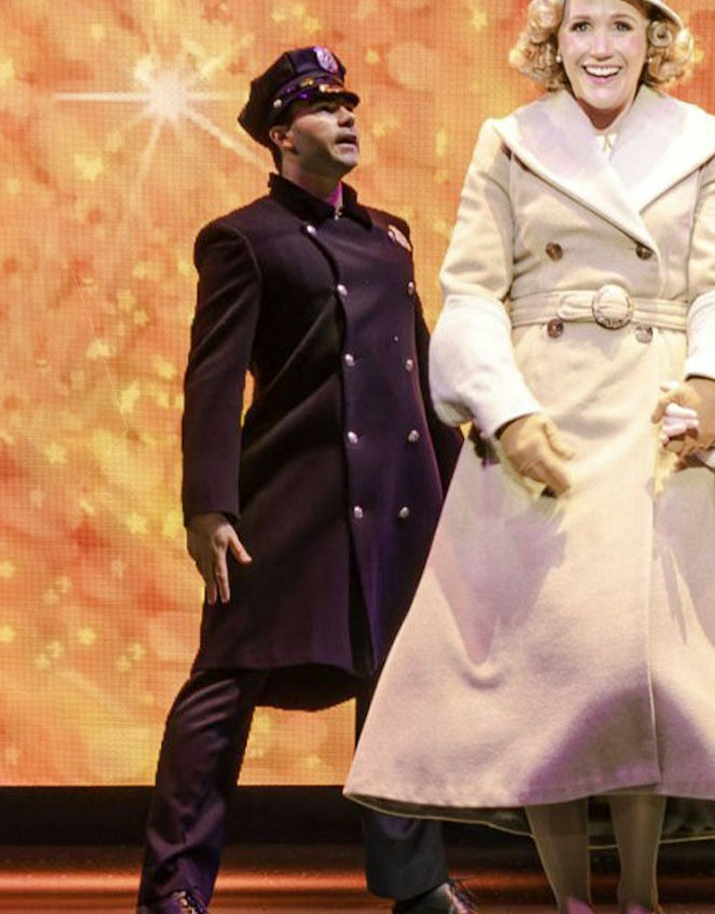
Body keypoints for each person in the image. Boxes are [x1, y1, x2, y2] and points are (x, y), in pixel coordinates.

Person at [343, 0, 715, 914]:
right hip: (540, 419)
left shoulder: (703, 140)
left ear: (653, 40)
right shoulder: (510, 141)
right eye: (582, 24)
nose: (600, 45)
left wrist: (713, 390)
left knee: (632, 674)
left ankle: (638, 896)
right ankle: (572, 903)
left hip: (654, 421)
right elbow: (468, 295)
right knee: (550, 681)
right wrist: (504, 416)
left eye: (622, 26)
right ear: (555, 34)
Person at [137, 47, 476, 914]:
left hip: (398, 500)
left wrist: (464, 489)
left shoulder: (390, 235)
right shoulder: (244, 239)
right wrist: (209, 506)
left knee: (403, 696)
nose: (347, 118)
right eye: (324, 109)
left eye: (350, 105)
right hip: (294, 502)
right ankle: (175, 887)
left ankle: (416, 881)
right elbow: (213, 382)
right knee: (225, 685)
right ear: (282, 136)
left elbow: (418, 370)